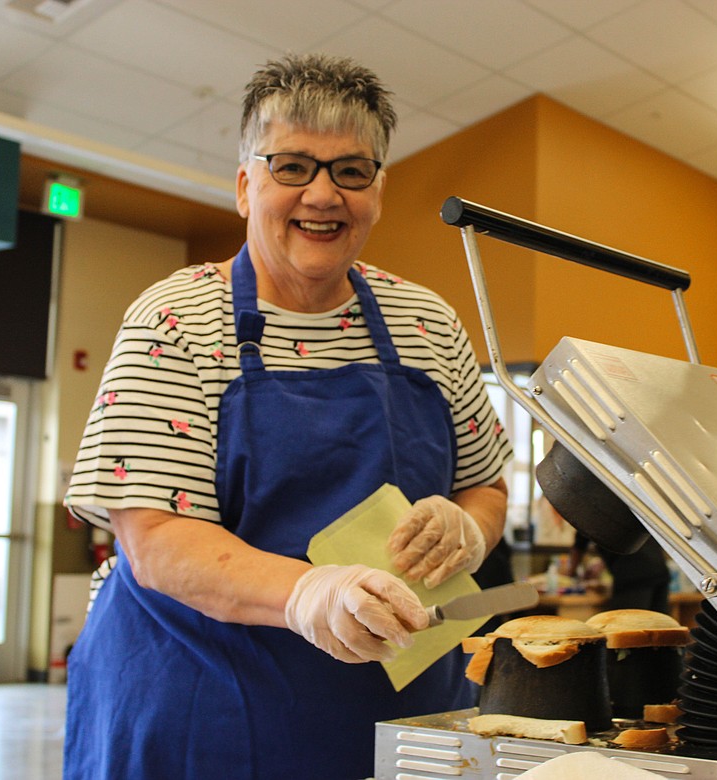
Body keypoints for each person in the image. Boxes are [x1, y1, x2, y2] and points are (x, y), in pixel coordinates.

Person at [62, 53, 513, 779]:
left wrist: (467, 528)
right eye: (293, 166)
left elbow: (485, 486)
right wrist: (308, 590)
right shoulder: (177, 319)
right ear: (246, 186)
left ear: (378, 189)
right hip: (202, 706)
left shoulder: (428, 323)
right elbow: (155, 539)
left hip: (403, 714)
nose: (324, 194)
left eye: (351, 171)